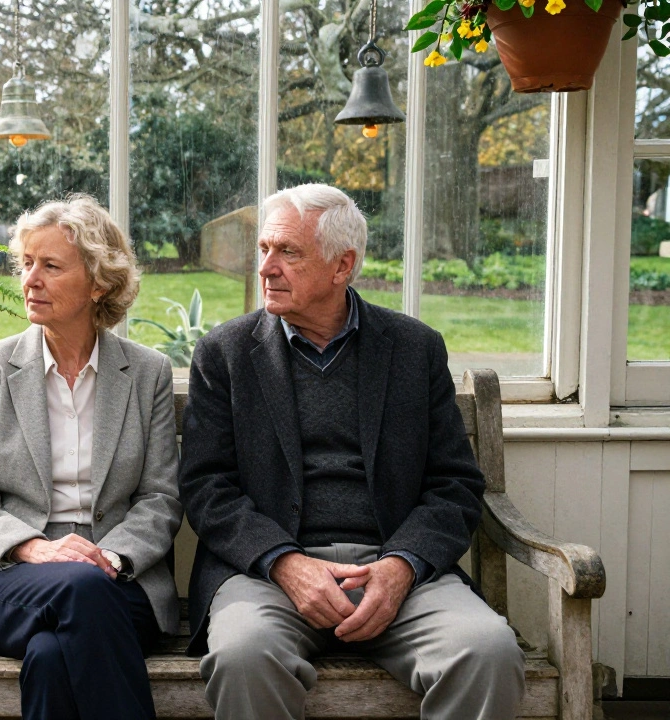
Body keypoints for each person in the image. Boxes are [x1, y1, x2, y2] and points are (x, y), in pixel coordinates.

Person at [179, 183, 525, 720]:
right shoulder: (225, 354)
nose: (267, 267)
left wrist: (401, 567)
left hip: (396, 570)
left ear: (342, 266)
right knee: (244, 653)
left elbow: (454, 485)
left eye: (287, 252)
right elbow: (206, 487)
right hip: (268, 575)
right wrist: (285, 563)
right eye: (265, 249)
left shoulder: (414, 348)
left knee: (487, 649)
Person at [0, 194, 182, 720]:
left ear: (98, 282)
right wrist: (36, 549)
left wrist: (111, 559)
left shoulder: (146, 374)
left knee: (51, 656)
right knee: (78, 589)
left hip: (121, 579)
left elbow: (160, 500)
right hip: (11, 578)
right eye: (27, 263)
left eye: (51, 266)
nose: (31, 279)